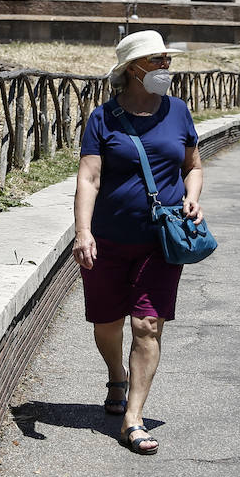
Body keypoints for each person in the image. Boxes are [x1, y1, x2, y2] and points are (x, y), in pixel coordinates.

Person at [73, 30, 204, 455]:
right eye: (158, 61)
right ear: (133, 69)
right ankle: (116, 375)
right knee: (107, 322)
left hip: (160, 241)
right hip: (109, 239)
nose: (166, 67)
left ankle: (133, 418)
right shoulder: (103, 118)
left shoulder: (179, 112)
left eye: (168, 60)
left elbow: (193, 166)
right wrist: (83, 231)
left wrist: (192, 197)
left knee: (147, 325)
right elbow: (89, 178)